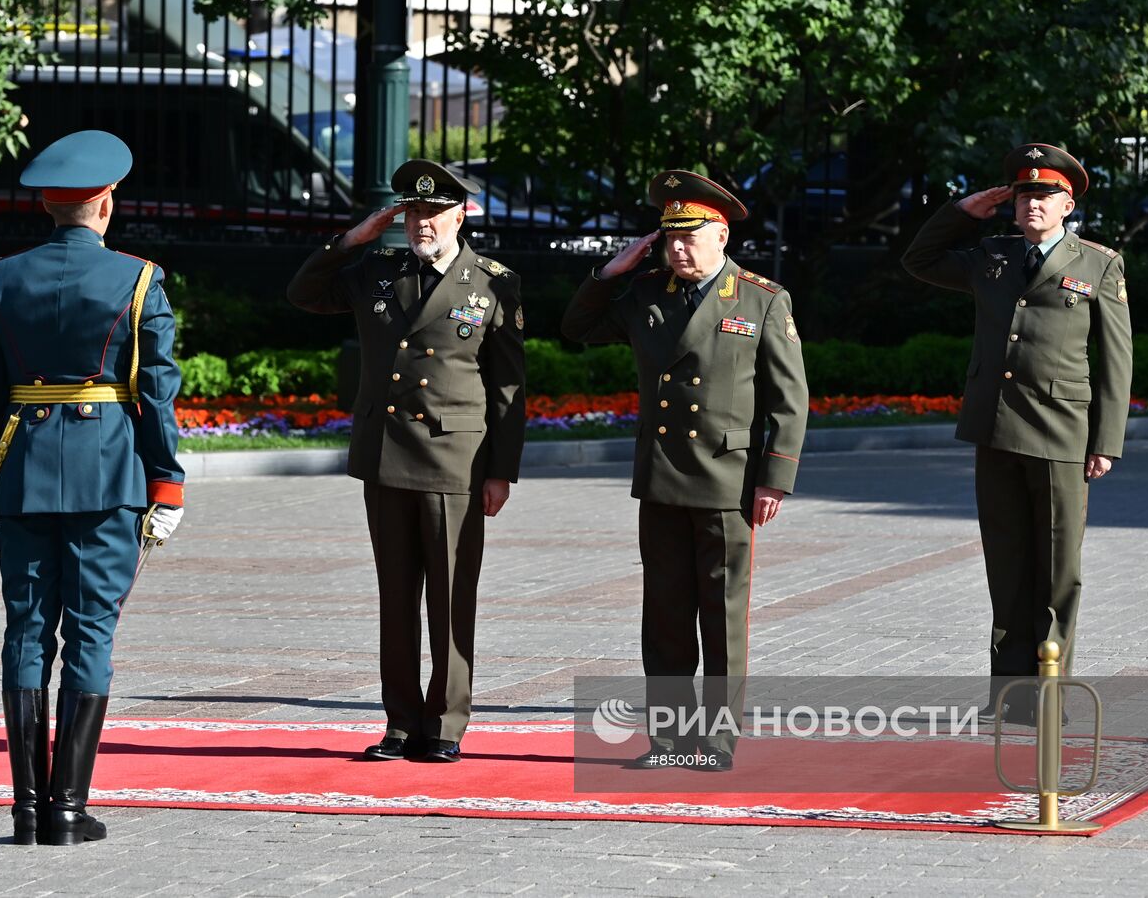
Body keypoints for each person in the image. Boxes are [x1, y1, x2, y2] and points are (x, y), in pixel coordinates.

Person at [0, 130, 186, 845]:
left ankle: (27, 810)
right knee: (91, 631)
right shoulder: (139, 279)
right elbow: (158, 393)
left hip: (21, 475)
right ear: (106, 203)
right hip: (108, 477)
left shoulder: (0, 278)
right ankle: (66, 810)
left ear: (50, 208)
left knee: (28, 630)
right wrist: (168, 484)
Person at [562, 170, 809, 771]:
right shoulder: (647, 293)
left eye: (689, 236)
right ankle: (669, 742)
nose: (676, 248)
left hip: (728, 479)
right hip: (663, 476)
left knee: (722, 620)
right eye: (668, 237)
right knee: (666, 618)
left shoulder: (761, 299)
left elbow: (789, 399)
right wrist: (609, 273)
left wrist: (773, 479)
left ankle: (718, 743)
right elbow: (577, 330)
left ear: (720, 235)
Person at [287, 159, 525, 763]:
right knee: (396, 598)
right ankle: (400, 720)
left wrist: (502, 470)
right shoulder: (376, 270)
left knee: (449, 600)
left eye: (434, 212)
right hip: (387, 455)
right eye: (413, 212)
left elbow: (507, 387)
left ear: (461, 214)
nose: (422, 224)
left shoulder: (492, 281)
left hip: (455, 461)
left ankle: (445, 723)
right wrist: (351, 240)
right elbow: (304, 293)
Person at [900, 142, 1133, 714]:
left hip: (1061, 433)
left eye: (1046, 194)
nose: (1033, 203)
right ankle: (1008, 695)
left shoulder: (1097, 264)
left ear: (1068, 204)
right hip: (996, 426)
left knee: (1056, 573)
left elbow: (1116, 357)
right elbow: (919, 261)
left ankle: (1049, 693)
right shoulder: (991, 256)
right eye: (1025, 193)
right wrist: (961, 211)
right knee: (1006, 565)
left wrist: (1106, 441)